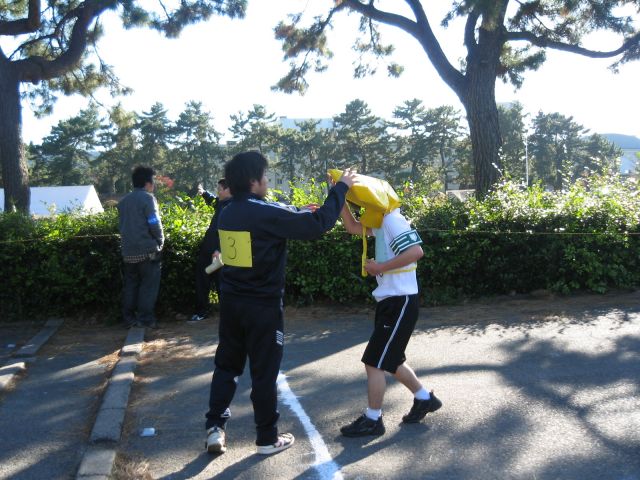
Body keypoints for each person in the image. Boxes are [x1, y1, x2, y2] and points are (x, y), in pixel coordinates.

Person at [204, 151, 356, 456]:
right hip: (263, 307)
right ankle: (266, 438)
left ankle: (215, 427)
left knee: (227, 366)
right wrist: (341, 188)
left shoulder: (228, 211)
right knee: (264, 372)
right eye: (264, 176)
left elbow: (274, 215)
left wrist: (299, 210)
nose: (267, 180)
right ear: (254, 181)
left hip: (232, 302)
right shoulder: (263, 213)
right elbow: (318, 224)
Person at [337, 190, 442, 437]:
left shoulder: (393, 220)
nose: (363, 208)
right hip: (390, 300)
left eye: (364, 203)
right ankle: (424, 399)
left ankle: (373, 420)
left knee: (374, 362)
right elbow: (352, 227)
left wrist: (380, 267)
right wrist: (339, 195)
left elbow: (416, 252)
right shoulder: (381, 221)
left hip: (400, 301)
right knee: (392, 360)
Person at [117, 166, 164, 329]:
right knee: (148, 285)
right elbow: (154, 222)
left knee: (131, 285)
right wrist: (160, 240)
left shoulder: (124, 201)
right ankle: (146, 319)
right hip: (147, 250)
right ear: (147, 183)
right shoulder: (148, 199)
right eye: (153, 181)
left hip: (128, 251)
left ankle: (129, 318)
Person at [190, 179, 232, 322]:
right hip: (208, 249)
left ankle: (227, 314)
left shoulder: (233, 207)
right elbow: (212, 200)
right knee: (202, 280)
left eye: (220, 189)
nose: (218, 192)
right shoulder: (221, 203)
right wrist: (203, 193)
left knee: (221, 283)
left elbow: (231, 232)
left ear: (228, 190)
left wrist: (220, 249)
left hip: (219, 253)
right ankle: (201, 311)